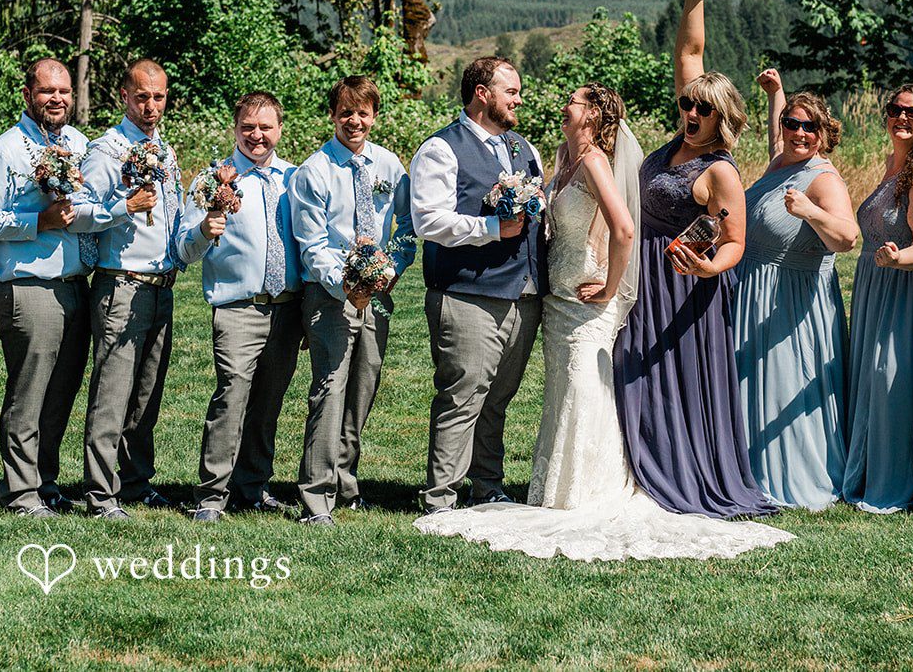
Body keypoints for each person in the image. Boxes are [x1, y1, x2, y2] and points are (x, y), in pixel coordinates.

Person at [416, 84, 792, 559]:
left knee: (583, 389)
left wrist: (612, 286)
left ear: (592, 114)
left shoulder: (596, 161)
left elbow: (625, 228)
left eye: (571, 100)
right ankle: (558, 489)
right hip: (558, 295)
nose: (561, 104)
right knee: (563, 391)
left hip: (588, 295)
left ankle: (586, 494)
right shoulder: (559, 154)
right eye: (686, 104)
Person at [612, 0, 775, 519]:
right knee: (632, 366)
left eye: (702, 109)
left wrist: (707, 267)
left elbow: (735, 243)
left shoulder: (720, 172)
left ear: (722, 119)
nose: (689, 113)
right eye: (687, 104)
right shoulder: (676, 144)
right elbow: (690, 50)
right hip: (643, 275)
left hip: (684, 285)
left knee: (673, 377)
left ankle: (682, 470)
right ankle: (635, 464)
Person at [411, 56, 546, 512]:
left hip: (523, 295)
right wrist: (490, 228)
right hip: (467, 293)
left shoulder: (524, 148)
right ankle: (440, 499)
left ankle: (487, 486)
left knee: (499, 399)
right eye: (512, 91)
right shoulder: (441, 149)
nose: (519, 99)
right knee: (463, 396)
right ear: (482, 93)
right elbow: (428, 220)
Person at [0, 58, 91, 516]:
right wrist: (36, 221)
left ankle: (46, 481)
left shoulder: (80, 145)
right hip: (28, 286)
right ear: (27, 95)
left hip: (76, 284)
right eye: (46, 91)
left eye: (63, 91)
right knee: (30, 391)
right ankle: (20, 491)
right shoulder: (3, 152)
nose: (56, 99)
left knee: (62, 392)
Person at [290, 76, 416, 525]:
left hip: (377, 293)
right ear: (333, 115)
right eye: (346, 112)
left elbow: (406, 229)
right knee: (330, 388)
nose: (354, 121)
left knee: (363, 387)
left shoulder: (388, 165)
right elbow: (312, 243)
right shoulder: (314, 170)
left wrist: (389, 270)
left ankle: (345, 480)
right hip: (331, 294)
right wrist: (347, 284)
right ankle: (315, 496)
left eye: (363, 112)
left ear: (374, 116)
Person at [732, 72, 859, 510]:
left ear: (824, 135)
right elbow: (777, 140)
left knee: (782, 385)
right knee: (752, 382)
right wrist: (776, 97)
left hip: (790, 301)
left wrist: (809, 211)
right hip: (754, 288)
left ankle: (790, 475)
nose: (798, 133)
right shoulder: (780, 161)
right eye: (791, 123)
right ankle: (742, 467)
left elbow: (847, 238)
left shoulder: (822, 179)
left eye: (809, 127)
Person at [178, 91, 305, 523]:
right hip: (237, 307)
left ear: (279, 130)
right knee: (232, 396)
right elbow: (182, 248)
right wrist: (202, 229)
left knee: (269, 402)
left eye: (266, 127)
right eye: (248, 127)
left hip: (287, 308)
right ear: (235, 128)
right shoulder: (213, 180)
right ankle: (212, 495)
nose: (257, 135)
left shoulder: (295, 179)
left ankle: (252, 486)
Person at [72, 60, 184, 518]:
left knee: (147, 393)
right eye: (142, 97)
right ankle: (100, 493)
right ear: (123, 96)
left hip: (161, 284)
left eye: (158, 97)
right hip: (121, 283)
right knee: (113, 392)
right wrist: (125, 205)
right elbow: (77, 212)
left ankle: (136, 482)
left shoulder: (167, 150)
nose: (151, 106)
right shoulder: (107, 151)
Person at [844, 83, 913, 514]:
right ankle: (869, 467)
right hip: (876, 285)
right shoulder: (894, 163)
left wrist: (898, 258)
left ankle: (895, 478)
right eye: (895, 109)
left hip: (906, 288)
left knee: (893, 380)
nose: (902, 117)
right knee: (870, 378)